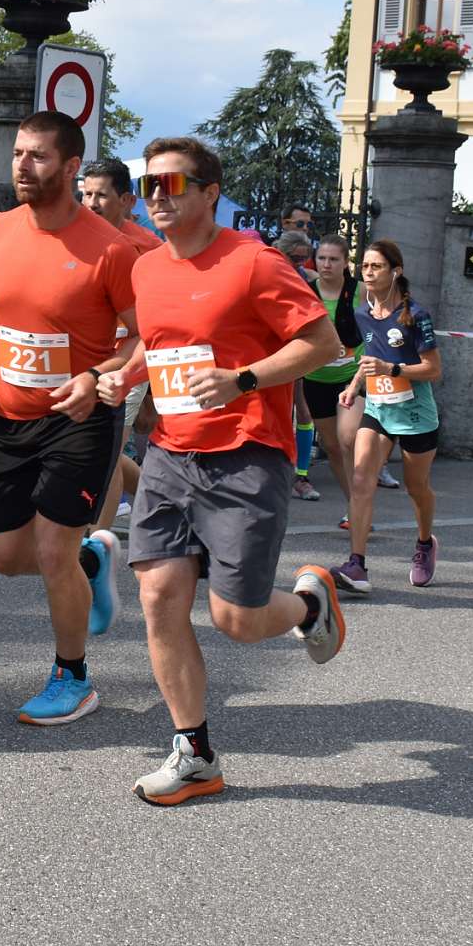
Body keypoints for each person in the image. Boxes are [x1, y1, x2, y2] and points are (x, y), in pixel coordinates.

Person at [97, 137, 346, 806]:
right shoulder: (148, 269)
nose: (157, 196)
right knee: (159, 598)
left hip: (247, 453)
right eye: (149, 184)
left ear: (210, 193)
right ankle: (195, 754)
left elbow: (322, 342)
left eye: (173, 184)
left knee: (236, 618)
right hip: (169, 454)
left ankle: (310, 604)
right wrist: (124, 375)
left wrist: (243, 379)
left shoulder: (255, 263)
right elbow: (159, 342)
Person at [0, 110, 138, 725]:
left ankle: (73, 677)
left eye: (37, 156)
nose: (23, 166)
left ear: (71, 165)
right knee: (4, 556)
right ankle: (91, 562)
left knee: (53, 550)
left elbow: (147, 337)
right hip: (11, 415)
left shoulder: (110, 249)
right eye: (17, 154)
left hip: (79, 419)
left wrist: (97, 376)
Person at [332, 239, 442, 592]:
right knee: (361, 478)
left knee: (416, 487)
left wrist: (391, 369)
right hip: (378, 407)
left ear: (396, 272)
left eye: (376, 266)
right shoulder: (362, 313)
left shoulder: (416, 315)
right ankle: (356, 565)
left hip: (414, 412)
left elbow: (433, 369)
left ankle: (425, 543)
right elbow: (370, 356)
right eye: (365, 266)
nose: (368, 272)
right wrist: (354, 386)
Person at [77, 156, 160, 526]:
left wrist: (149, 387)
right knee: (93, 447)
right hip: (81, 358)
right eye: (87, 194)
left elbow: (158, 319)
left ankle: (98, 543)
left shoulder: (148, 248)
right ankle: (171, 506)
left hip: (127, 361)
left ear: (127, 201)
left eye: (102, 196)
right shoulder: (72, 237)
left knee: (105, 455)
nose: (92, 203)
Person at [305, 234, 366, 529]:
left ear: (345, 263)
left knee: (348, 437)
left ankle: (361, 506)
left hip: (351, 378)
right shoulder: (306, 292)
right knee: (331, 446)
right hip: (316, 378)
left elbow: (379, 324)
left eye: (333, 259)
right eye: (322, 258)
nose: (326, 264)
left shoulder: (360, 291)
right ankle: (354, 505)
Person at [272, 229, 322, 501]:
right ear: (281, 253)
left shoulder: (302, 279)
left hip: (293, 350)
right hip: (267, 355)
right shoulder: (267, 271)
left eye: (304, 259)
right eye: (295, 258)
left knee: (302, 410)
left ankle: (301, 476)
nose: (300, 264)